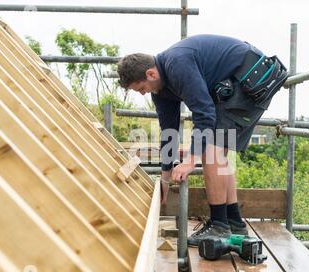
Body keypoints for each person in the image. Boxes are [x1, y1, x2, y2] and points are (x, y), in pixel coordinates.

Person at [117, 34, 287, 246]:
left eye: (141, 88)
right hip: (238, 83)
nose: (142, 94)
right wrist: (166, 177)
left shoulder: (177, 64)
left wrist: (190, 160)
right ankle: (234, 222)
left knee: (210, 152)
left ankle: (219, 226)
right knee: (219, 155)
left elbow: (204, 113)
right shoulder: (161, 90)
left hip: (252, 79)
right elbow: (168, 131)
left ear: (150, 73)